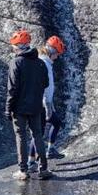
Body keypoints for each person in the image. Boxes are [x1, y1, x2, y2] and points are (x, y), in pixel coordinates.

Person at [5, 29, 51, 180]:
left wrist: (8, 109)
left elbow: (12, 89)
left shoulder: (15, 63)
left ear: (19, 46)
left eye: (14, 45)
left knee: (21, 136)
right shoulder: (40, 63)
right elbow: (45, 84)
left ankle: (23, 171)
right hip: (36, 107)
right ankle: (43, 169)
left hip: (19, 108)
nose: (13, 48)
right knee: (38, 135)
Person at [30, 35, 67, 165]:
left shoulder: (45, 61)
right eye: (57, 53)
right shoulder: (44, 63)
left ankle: (50, 150)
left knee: (55, 123)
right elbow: (45, 86)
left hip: (43, 103)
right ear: (52, 52)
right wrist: (47, 105)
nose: (57, 57)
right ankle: (31, 162)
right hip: (41, 104)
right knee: (38, 133)